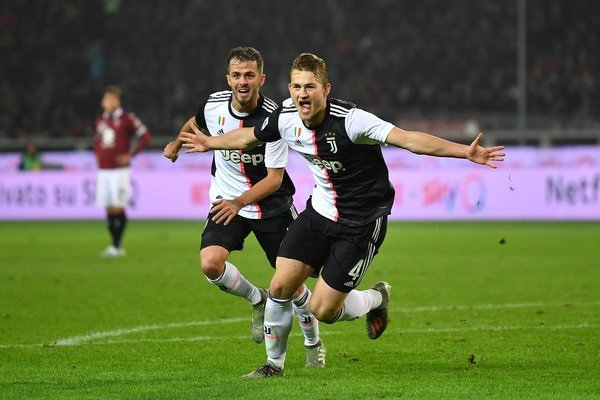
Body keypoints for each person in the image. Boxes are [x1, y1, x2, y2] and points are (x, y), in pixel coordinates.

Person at [179, 52, 506, 378]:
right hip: (318, 214)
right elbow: (249, 136)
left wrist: (465, 151)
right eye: (296, 87)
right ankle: (273, 366)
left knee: (324, 309)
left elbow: (408, 139)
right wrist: (211, 143)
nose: (302, 94)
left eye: (310, 87)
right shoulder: (286, 117)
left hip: (361, 222)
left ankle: (375, 298)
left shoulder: (353, 121)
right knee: (280, 286)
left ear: (326, 89)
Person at [163, 47, 325, 367]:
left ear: (261, 79)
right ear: (228, 79)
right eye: (236, 75)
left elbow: (275, 180)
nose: (242, 81)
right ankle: (256, 298)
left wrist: (239, 203)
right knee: (210, 264)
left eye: (249, 75)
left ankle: (313, 341)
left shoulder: (275, 119)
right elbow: (195, 122)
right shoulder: (213, 106)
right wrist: (176, 143)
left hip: (271, 208)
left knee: (291, 285)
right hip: (227, 200)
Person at [94, 85, 152, 257]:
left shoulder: (127, 119)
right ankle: (114, 246)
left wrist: (131, 155)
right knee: (109, 208)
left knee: (118, 207)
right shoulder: (100, 121)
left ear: (117, 101)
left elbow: (145, 137)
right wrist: (98, 153)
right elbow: (97, 141)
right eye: (106, 99)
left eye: (112, 99)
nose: (108, 102)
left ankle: (117, 245)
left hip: (120, 171)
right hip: (103, 170)